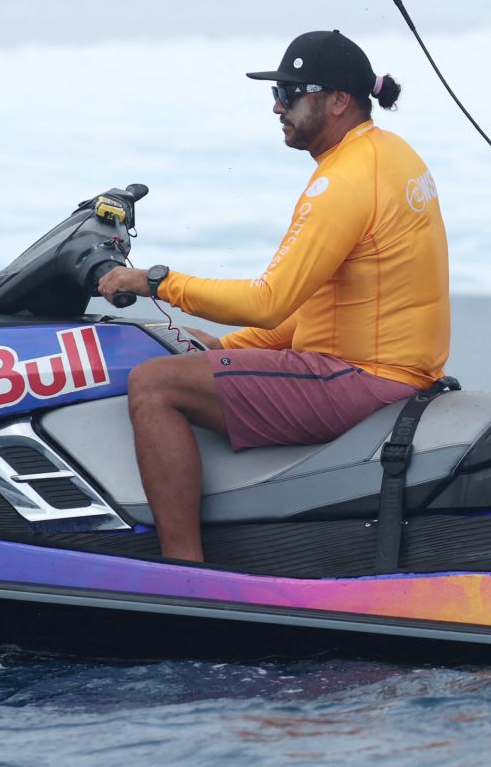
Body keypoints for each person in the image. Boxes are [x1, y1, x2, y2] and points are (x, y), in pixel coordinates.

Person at [97, 30, 449, 563]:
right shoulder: (389, 154)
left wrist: (154, 281)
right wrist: (227, 347)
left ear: (338, 100)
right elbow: (321, 304)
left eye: (290, 92)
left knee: (152, 385)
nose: (278, 107)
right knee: (188, 363)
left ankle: (183, 575)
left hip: (363, 379)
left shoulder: (345, 182)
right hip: (385, 366)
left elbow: (270, 300)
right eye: (274, 94)